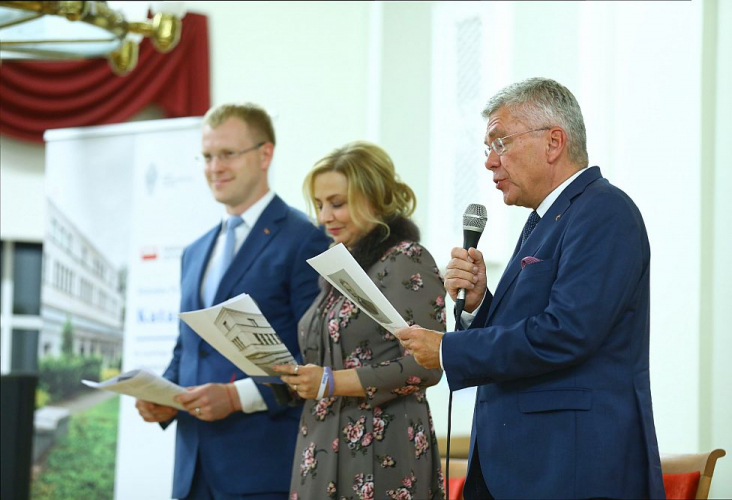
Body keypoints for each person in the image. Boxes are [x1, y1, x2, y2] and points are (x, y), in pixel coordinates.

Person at [399, 78, 665, 499]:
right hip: (526, 464)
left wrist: (449, 350)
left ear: (553, 142)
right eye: (488, 148)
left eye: (500, 143)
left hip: (571, 467)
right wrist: (478, 305)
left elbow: (567, 332)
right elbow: (530, 326)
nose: (489, 162)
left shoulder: (603, 210)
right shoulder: (547, 219)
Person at [135, 102, 330, 500]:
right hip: (192, 467)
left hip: (261, 465)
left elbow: (314, 354)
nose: (214, 167)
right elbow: (188, 347)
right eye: (207, 156)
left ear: (265, 154)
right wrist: (165, 397)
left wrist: (234, 398)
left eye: (227, 154)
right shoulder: (194, 251)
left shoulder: (304, 238)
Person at [273, 141, 447, 500]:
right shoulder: (340, 267)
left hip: (380, 449)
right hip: (320, 444)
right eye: (320, 205)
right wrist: (297, 379)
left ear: (374, 199)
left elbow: (427, 366)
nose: (324, 217)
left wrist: (331, 382)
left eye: (337, 204)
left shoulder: (405, 259)